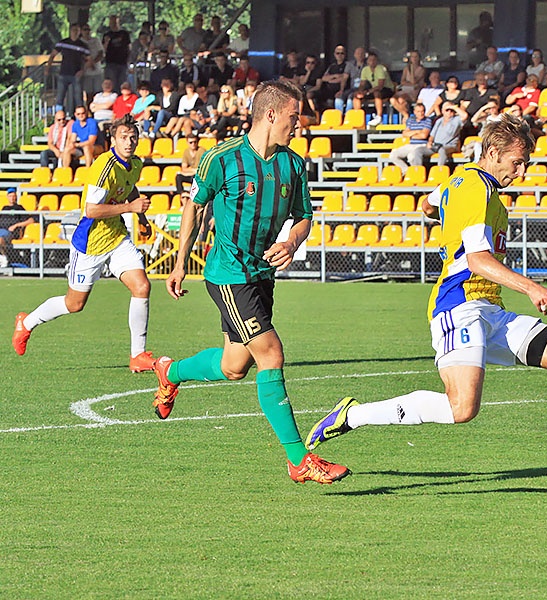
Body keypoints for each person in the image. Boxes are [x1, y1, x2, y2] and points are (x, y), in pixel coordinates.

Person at [304, 114, 547, 489]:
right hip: (459, 306)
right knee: (461, 409)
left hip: (489, 308)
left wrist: (440, 215)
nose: (521, 172)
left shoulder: (464, 182)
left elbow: (427, 204)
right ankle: (353, 416)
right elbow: (477, 260)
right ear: (492, 152)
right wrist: (532, 288)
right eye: (517, 162)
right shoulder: (474, 188)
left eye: (526, 164)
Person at [149, 80, 350, 485]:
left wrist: (292, 239)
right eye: (294, 117)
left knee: (234, 366)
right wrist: (180, 261)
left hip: (262, 276)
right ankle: (300, 460)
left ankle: (170, 372)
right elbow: (196, 206)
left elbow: (304, 215)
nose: (299, 125)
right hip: (228, 275)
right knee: (271, 353)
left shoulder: (293, 164)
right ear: (272, 114)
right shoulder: (221, 158)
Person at [13, 114, 156, 372]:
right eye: (123, 137)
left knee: (142, 287)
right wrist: (131, 208)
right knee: (74, 304)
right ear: (113, 139)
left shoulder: (134, 163)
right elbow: (90, 210)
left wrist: (142, 217)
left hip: (116, 238)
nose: (129, 142)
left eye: (133, 137)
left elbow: (130, 188)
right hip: (90, 242)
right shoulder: (103, 167)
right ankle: (27, 322)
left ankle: (138, 355)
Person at [47, 23, 90, 114]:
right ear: (70, 31)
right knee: (60, 97)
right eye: (74, 30)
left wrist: (83, 71)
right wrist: (48, 68)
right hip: (64, 73)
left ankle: (79, 116)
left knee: (78, 97)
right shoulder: (63, 43)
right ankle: (58, 116)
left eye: (77, 31)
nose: (75, 32)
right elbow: (52, 55)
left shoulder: (83, 45)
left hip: (76, 74)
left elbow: (89, 60)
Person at [412, 102, 466, 168]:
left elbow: (465, 116)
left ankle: (440, 170)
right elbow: (432, 135)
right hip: (436, 145)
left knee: (442, 150)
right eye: (447, 110)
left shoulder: (457, 120)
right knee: (418, 150)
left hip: (449, 146)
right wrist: (430, 142)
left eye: (451, 110)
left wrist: (453, 107)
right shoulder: (439, 121)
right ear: (442, 111)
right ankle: (417, 171)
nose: (449, 112)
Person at [387, 102, 433, 174]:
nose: (421, 113)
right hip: (411, 144)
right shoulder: (411, 120)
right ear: (414, 112)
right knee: (393, 155)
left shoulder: (427, 120)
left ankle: (416, 173)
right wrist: (417, 131)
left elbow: (424, 136)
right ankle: (406, 170)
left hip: (421, 145)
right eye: (418, 111)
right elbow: (404, 134)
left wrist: (411, 134)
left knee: (411, 156)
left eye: (422, 111)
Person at [353, 50, 394, 127]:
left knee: (377, 93)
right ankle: (358, 119)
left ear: (377, 61)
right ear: (367, 61)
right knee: (356, 96)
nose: (372, 62)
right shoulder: (365, 69)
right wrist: (360, 92)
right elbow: (362, 84)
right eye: (370, 60)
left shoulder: (380, 68)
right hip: (372, 90)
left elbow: (380, 86)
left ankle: (379, 117)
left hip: (387, 89)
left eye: (374, 60)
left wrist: (367, 92)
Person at [0, 189, 35, 268]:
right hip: (1, 230)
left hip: (10, 232)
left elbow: (31, 220)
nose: (12, 198)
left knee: (0, 239)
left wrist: (16, 225)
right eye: (10, 196)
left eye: (14, 196)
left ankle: (4, 258)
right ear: (7, 197)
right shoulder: (4, 208)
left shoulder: (19, 208)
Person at [390, 50, 427, 123]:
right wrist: (409, 83)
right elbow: (402, 81)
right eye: (412, 57)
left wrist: (412, 69)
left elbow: (414, 81)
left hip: (414, 91)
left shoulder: (422, 69)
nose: (414, 58)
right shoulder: (406, 69)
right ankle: (406, 115)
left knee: (401, 100)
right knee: (393, 99)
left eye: (416, 57)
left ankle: (406, 120)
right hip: (405, 89)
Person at [102, 15, 131, 89]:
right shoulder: (107, 35)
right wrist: (106, 42)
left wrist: (129, 60)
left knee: (122, 83)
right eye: (111, 22)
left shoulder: (124, 34)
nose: (113, 24)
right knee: (112, 84)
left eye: (115, 22)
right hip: (111, 62)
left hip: (123, 62)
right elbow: (103, 50)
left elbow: (129, 47)